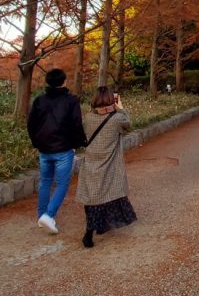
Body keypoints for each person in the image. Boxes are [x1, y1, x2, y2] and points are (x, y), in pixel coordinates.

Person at [27, 67, 87, 235]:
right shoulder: (71, 101)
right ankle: (48, 215)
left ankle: (41, 216)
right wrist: (79, 143)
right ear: (64, 81)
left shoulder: (39, 100)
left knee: (45, 181)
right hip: (63, 148)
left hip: (44, 149)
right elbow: (76, 124)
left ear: (48, 82)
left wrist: (36, 142)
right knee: (62, 184)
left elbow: (31, 124)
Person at [76, 86, 136, 249]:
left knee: (92, 196)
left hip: (91, 162)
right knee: (104, 194)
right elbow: (128, 124)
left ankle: (94, 228)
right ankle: (89, 232)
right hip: (108, 162)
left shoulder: (88, 118)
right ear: (111, 100)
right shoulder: (117, 119)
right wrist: (120, 108)